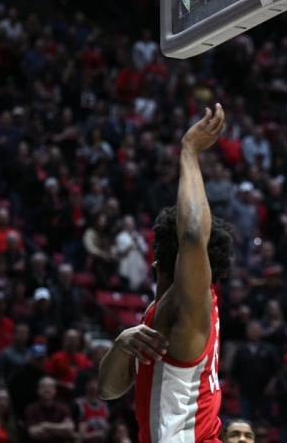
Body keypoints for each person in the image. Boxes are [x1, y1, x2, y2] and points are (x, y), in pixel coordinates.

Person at [98, 104, 233, 443]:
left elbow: (191, 235)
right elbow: (108, 390)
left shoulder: (191, 304)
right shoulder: (159, 313)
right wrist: (121, 345)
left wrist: (189, 152)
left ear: (156, 262)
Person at [25, 377, 76, 443]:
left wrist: (47, 426)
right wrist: (59, 431)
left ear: (55, 390)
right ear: (38, 390)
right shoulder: (31, 409)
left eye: (50, 387)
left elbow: (70, 429)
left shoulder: (63, 407)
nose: (47, 390)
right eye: (43, 387)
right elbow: (33, 433)